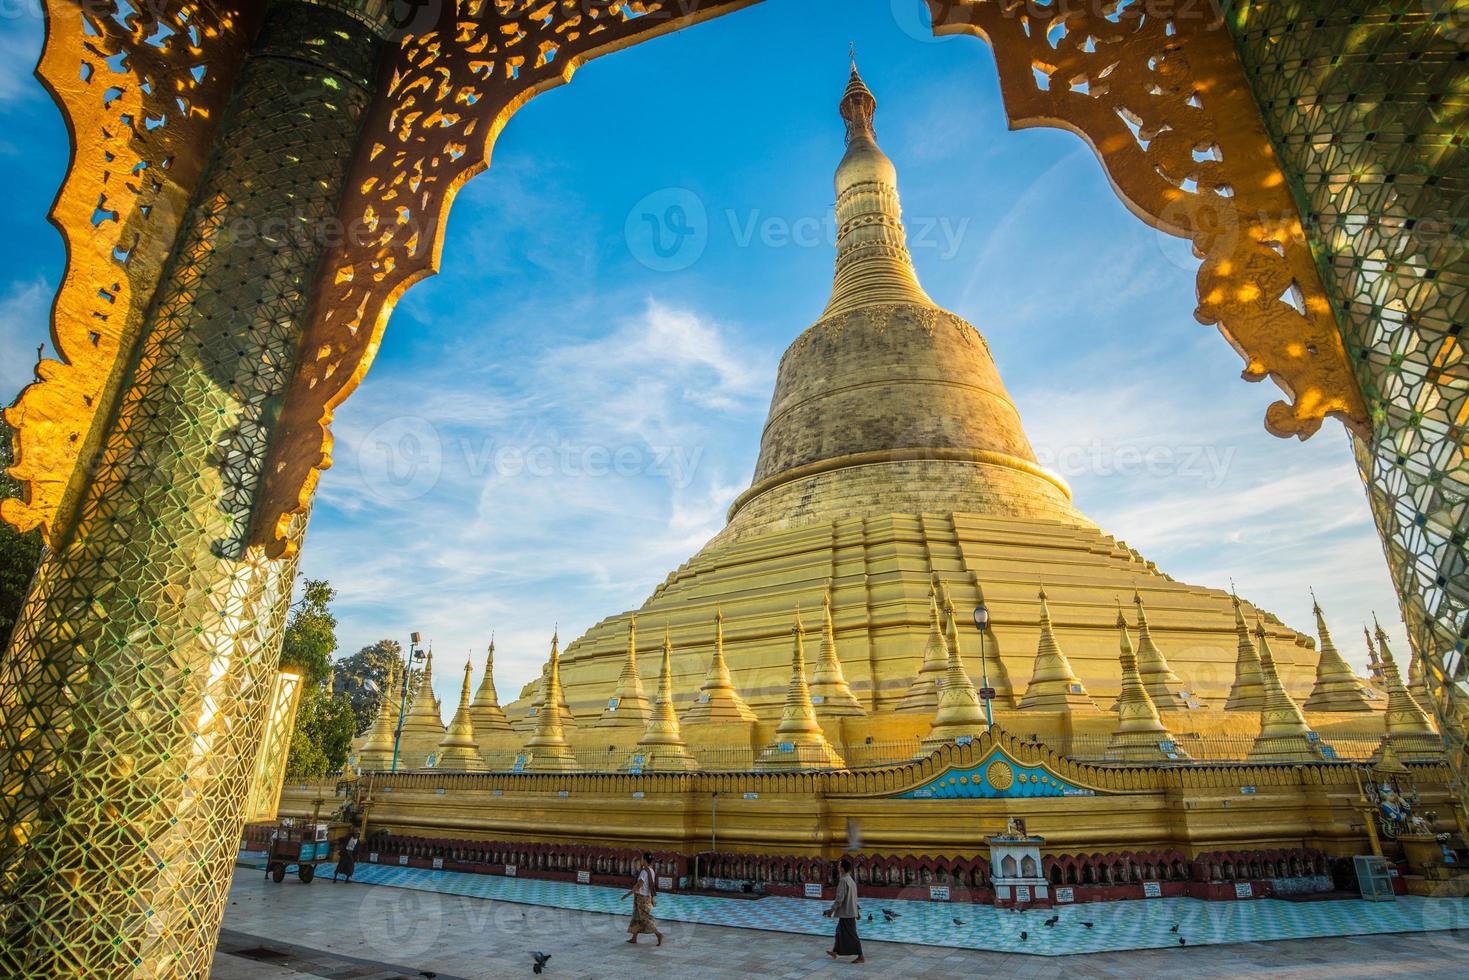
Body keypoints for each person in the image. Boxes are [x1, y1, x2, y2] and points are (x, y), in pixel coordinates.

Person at [825, 858, 864, 964]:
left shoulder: (843, 880)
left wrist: (832, 910)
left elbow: (840, 898)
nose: (838, 868)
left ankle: (861, 956)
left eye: (839, 866)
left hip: (847, 913)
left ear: (842, 868)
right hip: (849, 912)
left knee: (852, 934)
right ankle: (835, 951)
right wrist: (857, 912)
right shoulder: (851, 880)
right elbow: (854, 898)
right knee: (839, 932)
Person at [622, 852, 664, 946]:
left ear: (644, 860)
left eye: (641, 859)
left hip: (641, 898)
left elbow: (639, 885)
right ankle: (634, 938)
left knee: (645, 918)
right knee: (636, 917)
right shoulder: (651, 871)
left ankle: (658, 934)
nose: (641, 860)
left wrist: (628, 894)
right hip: (645, 897)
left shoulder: (644, 872)